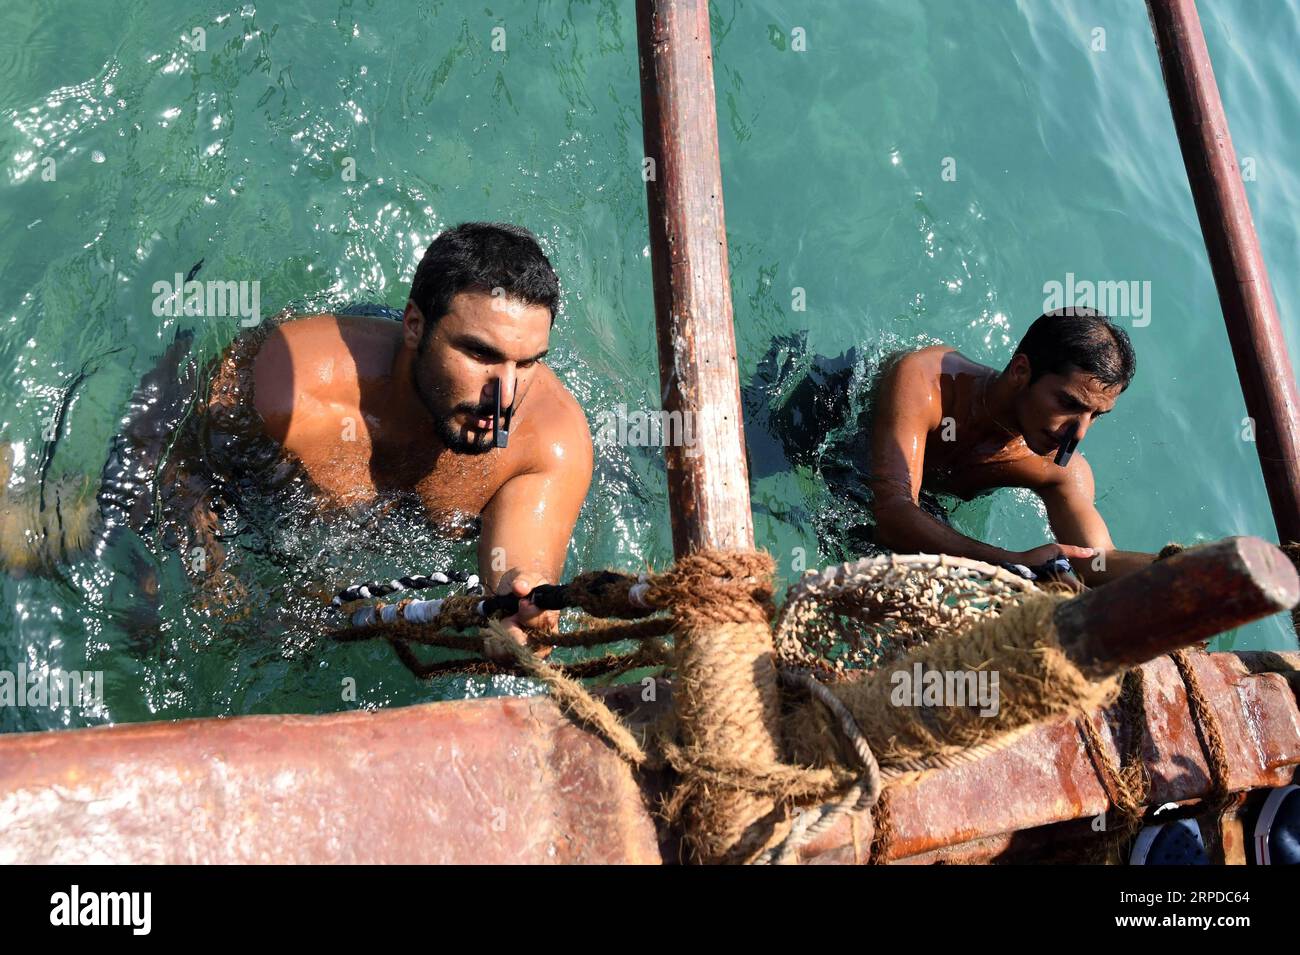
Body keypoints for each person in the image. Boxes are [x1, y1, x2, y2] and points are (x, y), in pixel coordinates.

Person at [867, 307, 1153, 585]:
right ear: (1020, 371)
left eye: (1095, 416)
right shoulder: (928, 384)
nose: (1078, 433)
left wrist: (1183, 566)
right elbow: (891, 512)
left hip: (917, 509)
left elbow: (1097, 564)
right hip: (840, 443)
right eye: (1068, 404)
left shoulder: (1057, 469)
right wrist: (1011, 561)